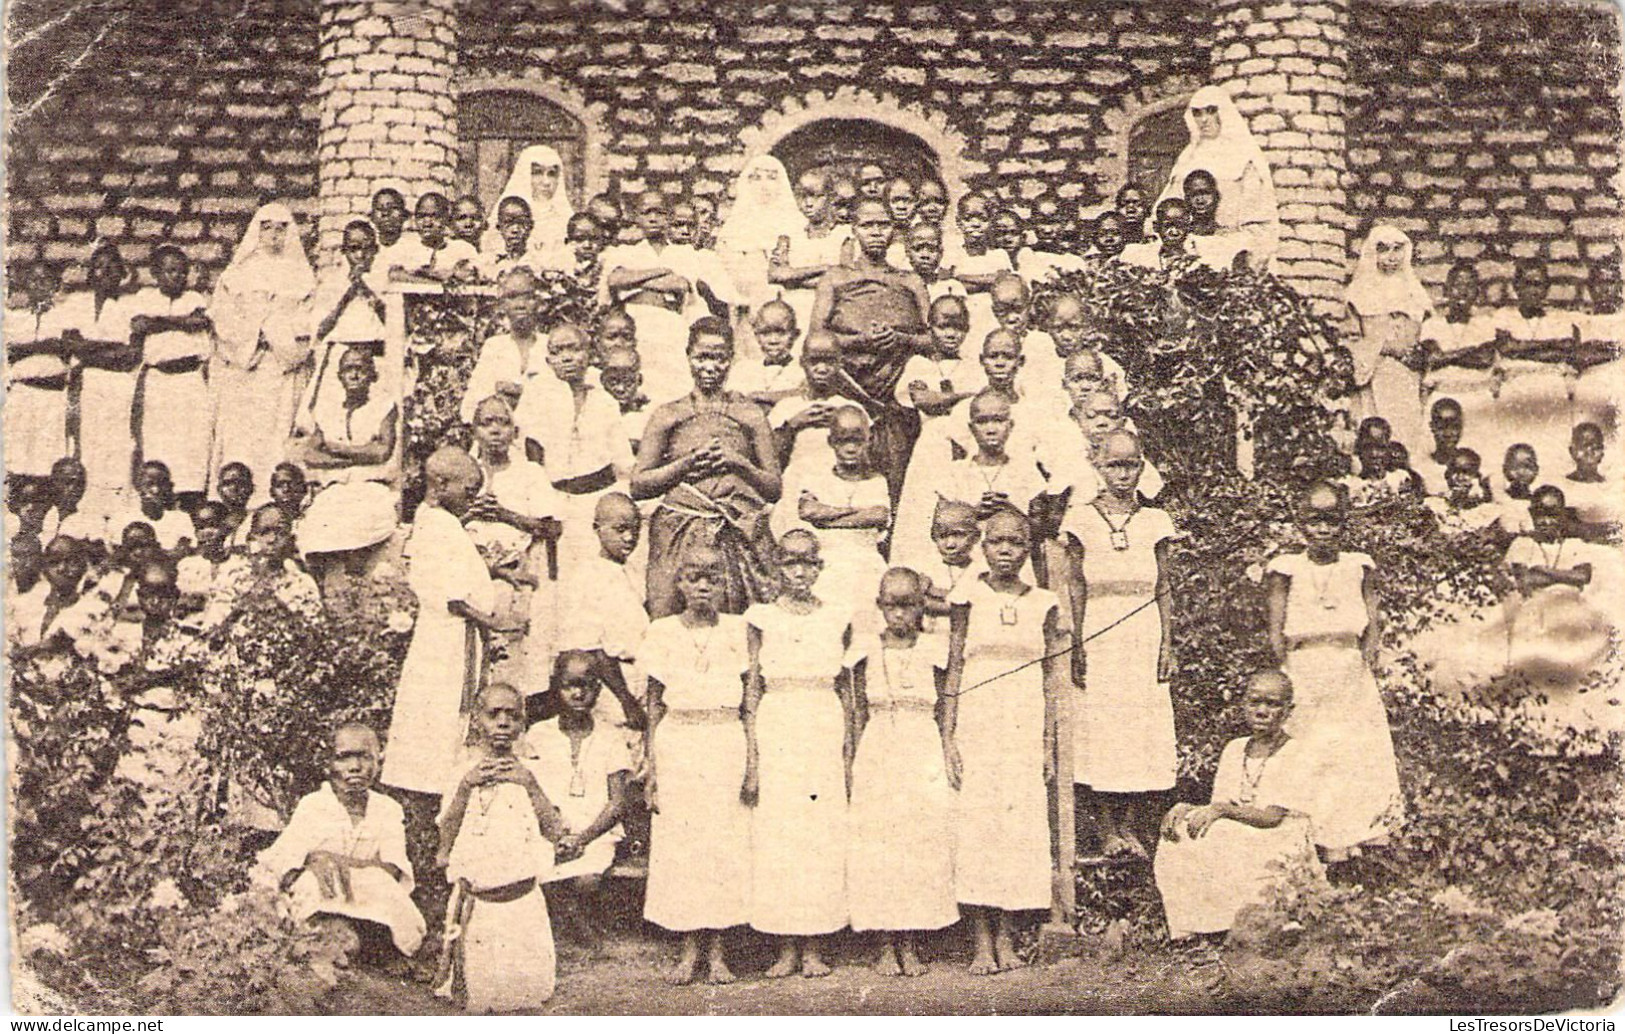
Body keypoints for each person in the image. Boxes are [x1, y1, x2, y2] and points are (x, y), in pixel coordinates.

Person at [947, 509, 1065, 973]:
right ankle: (980, 941)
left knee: (1018, 828)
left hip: (1022, 723)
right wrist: (947, 736)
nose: (1005, 550)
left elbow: (1052, 679)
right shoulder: (967, 594)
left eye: (1015, 542)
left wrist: (1048, 743)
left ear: (1027, 548)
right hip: (977, 722)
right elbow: (955, 665)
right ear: (982, 544)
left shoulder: (1044, 602)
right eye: (996, 541)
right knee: (978, 826)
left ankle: (1007, 938)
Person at [1265, 482, 1403, 862]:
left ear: (1344, 524)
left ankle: (1354, 837)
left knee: (1350, 754)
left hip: (1347, 669)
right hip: (1304, 670)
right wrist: (1285, 673)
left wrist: (1367, 657)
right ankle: (1310, 840)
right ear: (1300, 523)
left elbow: (1372, 622)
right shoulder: (1286, 568)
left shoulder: (1358, 565)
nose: (1323, 530)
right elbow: (1276, 630)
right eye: (1314, 521)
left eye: (1332, 522)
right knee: (1309, 753)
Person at [1061, 430, 1179, 859]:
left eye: (1130, 464)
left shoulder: (1155, 521)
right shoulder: (1080, 519)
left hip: (1143, 635)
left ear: (1142, 466)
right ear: (1098, 464)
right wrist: (1076, 642)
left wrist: (1168, 642)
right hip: (1099, 633)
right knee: (1101, 728)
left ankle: (1129, 826)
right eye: (1114, 464)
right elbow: (1074, 585)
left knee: (1138, 730)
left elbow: (1164, 586)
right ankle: (1106, 827)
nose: (1122, 474)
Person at [744, 529, 855, 979]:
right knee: (781, 835)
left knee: (819, 834)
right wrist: (751, 754)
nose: (799, 572)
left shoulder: (838, 616)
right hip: (778, 723)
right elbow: (752, 686)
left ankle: (814, 945)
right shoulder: (761, 617)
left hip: (822, 721)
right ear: (777, 567)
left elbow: (847, 688)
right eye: (790, 563)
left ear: (820, 567)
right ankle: (785, 946)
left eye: (808, 563)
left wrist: (849, 748)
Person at [642, 545, 752, 985]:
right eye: (694, 576)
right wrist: (650, 761)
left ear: (724, 583)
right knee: (683, 846)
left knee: (723, 844)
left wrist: (752, 761)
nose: (704, 585)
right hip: (679, 742)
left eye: (713, 576)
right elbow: (652, 700)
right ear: (680, 583)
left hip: (725, 739)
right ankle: (688, 950)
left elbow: (751, 697)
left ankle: (720, 953)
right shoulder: (662, 631)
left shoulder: (739, 629)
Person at [382, 448, 515, 799]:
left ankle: (443, 788)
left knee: (445, 711)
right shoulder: (435, 526)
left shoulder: (439, 522)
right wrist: (492, 622)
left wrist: (495, 571)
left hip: (453, 636)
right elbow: (451, 597)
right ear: (440, 484)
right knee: (443, 712)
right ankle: (437, 791)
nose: (472, 500)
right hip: (449, 638)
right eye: (469, 491)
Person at [847, 568, 960, 975]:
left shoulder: (934, 649)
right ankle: (884, 943)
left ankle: (910, 940)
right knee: (880, 844)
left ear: (921, 607)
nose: (899, 613)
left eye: (908, 604)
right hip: (878, 748)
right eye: (891, 604)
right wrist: (852, 760)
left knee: (917, 842)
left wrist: (947, 747)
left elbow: (947, 704)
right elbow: (856, 710)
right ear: (879, 606)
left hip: (921, 746)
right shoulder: (864, 649)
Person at [1154, 671, 1323, 941]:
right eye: (1255, 702)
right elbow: (1221, 804)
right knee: (1181, 833)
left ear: (1288, 711)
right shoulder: (1235, 748)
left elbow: (1271, 817)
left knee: (1224, 835)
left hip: (1281, 833)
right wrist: (1186, 808)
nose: (1262, 711)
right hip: (1242, 823)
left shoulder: (1296, 752)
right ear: (1243, 705)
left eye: (1273, 704)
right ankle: (1193, 926)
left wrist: (1222, 812)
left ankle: (1246, 924)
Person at [633, 318, 783, 618]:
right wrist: (685, 464)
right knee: (670, 617)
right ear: (688, 356)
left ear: (731, 359)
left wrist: (738, 463)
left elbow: (774, 488)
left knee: (738, 622)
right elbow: (638, 485)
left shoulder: (749, 414)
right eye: (702, 356)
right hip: (679, 532)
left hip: (736, 531)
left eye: (720, 357)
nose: (710, 366)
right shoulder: (668, 414)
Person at [435, 684, 565, 1013]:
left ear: (523, 723)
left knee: (524, 994)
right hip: (479, 902)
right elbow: (445, 835)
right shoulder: (461, 772)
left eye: (513, 715)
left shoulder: (535, 769)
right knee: (481, 995)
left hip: (522, 904)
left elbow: (554, 831)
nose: (503, 723)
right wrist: (466, 786)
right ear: (477, 721)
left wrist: (530, 784)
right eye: (494, 715)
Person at [255, 724, 426, 959]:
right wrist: (310, 863)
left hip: (371, 896)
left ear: (379, 761)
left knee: (381, 884)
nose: (355, 767)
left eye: (365, 757)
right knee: (310, 882)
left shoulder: (387, 809)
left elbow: (392, 869)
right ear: (329, 765)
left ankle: (365, 940)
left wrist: (332, 859)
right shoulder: (314, 805)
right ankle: (329, 934)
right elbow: (284, 863)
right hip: (324, 895)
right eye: (344, 758)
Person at [811, 198, 933, 499]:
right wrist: (860, 341)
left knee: (897, 487)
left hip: (895, 394)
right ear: (854, 230)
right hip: (848, 388)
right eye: (868, 225)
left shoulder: (910, 281)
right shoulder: (835, 278)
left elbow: (935, 339)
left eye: (883, 225)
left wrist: (901, 339)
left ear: (894, 231)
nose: (876, 232)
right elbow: (815, 342)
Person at [210, 202, 315, 496]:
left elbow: (308, 322)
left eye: (282, 228)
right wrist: (255, 336)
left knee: (281, 438)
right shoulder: (237, 274)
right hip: (246, 371)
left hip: (283, 371)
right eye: (267, 227)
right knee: (243, 439)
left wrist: (278, 338)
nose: (274, 234)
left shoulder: (302, 275)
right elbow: (223, 319)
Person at [526, 651, 631, 941]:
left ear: (597, 689)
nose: (578, 693)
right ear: (555, 687)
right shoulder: (538, 735)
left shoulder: (610, 736)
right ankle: (572, 927)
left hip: (595, 833)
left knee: (587, 879)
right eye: (569, 685)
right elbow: (531, 794)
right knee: (537, 869)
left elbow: (617, 802)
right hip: (550, 832)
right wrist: (557, 833)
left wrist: (582, 839)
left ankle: (576, 927)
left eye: (586, 685)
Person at [466, 396, 564, 700]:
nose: (495, 430)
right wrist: (470, 513)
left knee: (510, 648)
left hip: (514, 571)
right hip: (471, 569)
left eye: (503, 423)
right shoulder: (464, 471)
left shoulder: (528, 474)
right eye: (486, 423)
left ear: (515, 432)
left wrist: (505, 514)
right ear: (474, 431)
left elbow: (552, 528)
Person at [514, 322, 635, 558]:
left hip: (598, 500)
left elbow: (622, 463)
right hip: (555, 502)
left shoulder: (604, 397)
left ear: (589, 353)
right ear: (548, 360)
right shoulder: (538, 393)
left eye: (574, 349)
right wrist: (543, 507)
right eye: (557, 352)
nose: (566, 358)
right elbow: (531, 455)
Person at [287, 345, 399, 578]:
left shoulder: (383, 408)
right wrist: (355, 457)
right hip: (334, 489)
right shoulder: (327, 412)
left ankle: (353, 583)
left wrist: (337, 449)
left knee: (359, 530)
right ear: (340, 376)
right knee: (315, 532)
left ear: (372, 375)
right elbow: (311, 455)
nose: (355, 374)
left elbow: (381, 452)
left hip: (370, 488)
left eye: (361, 369)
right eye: (348, 369)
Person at [57, 241, 138, 520]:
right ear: (90, 273)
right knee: (84, 447)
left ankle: (117, 516)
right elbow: (68, 344)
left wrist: (87, 350)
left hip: (119, 386)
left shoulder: (131, 306)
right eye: (98, 268)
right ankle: (85, 518)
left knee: (118, 447)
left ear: (122, 273)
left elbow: (129, 355)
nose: (105, 273)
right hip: (84, 386)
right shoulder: (76, 303)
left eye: (111, 268)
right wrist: (107, 349)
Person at [1158, 84, 1280, 270]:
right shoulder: (1187, 158)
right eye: (1197, 113)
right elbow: (1167, 207)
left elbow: (1260, 227)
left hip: (1230, 250)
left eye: (1211, 111)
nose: (1204, 120)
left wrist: (1219, 246)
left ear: (1223, 112)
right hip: (1183, 250)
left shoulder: (1245, 157)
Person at [1505, 485, 1616, 688]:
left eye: (1553, 515)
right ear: (1531, 514)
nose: (1547, 521)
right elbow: (1527, 580)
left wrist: (1545, 571)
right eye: (1540, 515)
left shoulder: (1574, 545)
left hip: (1571, 608)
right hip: (1535, 608)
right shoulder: (1523, 543)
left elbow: (1582, 575)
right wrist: (1565, 576)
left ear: (1563, 516)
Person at [782, 406, 891, 613]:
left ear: (869, 440)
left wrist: (827, 518)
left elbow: (878, 515)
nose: (850, 448)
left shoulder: (877, 481)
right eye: (843, 441)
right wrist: (857, 512)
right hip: (827, 568)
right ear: (831, 442)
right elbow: (808, 512)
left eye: (857, 441)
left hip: (866, 567)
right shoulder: (816, 478)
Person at [1344, 225, 1434, 454]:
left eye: (1397, 250)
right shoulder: (1359, 292)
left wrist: (1418, 354)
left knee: (1409, 433)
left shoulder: (1415, 291)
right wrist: (1388, 349)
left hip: (1409, 376)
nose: (1391, 257)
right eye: (1384, 250)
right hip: (1376, 373)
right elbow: (1352, 341)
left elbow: (1428, 336)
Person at [1491, 259, 1584, 468]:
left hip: (1551, 391)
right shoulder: (1504, 316)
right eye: (1528, 284)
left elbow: (1568, 349)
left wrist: (1522, 348)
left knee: (1552, 455)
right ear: (1517, 287)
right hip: (1515, 392)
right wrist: (1551, 347)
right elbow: (1507, 348)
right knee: (1516, 454)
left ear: (1546, 288)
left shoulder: (1560, 320)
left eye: (1539, 284)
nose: (1534, 290)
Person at [1419, 260, 1498, 444]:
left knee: (1480, 455)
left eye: (1470, 286)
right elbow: (1433, 357)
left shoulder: (1486, 323)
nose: (1463, 291)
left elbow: (1485, 357)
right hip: (1442, 398)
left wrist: (1447, 356)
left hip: (1477, 399)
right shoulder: (1433, 325)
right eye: (1457, 285)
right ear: (1446, 291)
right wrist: (1471, 351)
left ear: (1478, 294)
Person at [5, 261, 70, 481]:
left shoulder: (64, 317)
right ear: (25, 284)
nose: (39, 286)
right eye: (34, 280)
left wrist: (25, 348)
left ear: (55, 285)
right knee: (18, 458)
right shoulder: (15, 318)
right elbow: (8, 352)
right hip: (21, 394)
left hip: (53, 396)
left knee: (47, 460)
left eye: (45, 281)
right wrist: (43, 345)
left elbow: (66, 349)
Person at [459, 267, 550, 425]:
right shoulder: (494, 347)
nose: (520, 304)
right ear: (502, 305)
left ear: (539, 303)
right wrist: (496, 397)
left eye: (528, 297)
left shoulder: (550, 345)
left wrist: (525, 394)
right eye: (512, 297)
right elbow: (469, 408)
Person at [484, 144, 575, 258]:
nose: (546, 182)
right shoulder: (504, 217)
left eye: (552, 174)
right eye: (537, 172)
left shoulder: (566, 219)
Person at [1575, 255, 1623, 434]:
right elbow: (1580, 357)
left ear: (1619, 286)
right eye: (1599, 283)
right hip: (1591, 393)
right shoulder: (1582, 321)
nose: (1605, 289)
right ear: (1589, 287)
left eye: (1610, 282)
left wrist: (1598, 351)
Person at [386, 193, 478, 283]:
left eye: (434, 216)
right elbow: (394, 274)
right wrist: (434, 280)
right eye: (421, 217)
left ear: (446, 219)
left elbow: (471, 274)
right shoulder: (404, 248)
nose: (427, 223)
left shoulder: (463, 249)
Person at [731, 297, 806, 407]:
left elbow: (807, 394)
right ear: (756, 335)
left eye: (781, 333)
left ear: (795, 334)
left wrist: (764, 396)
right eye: (765, 333)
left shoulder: (802, 370)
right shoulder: (743, 369)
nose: (773, 340)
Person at [110, 461, 193, 555]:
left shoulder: (181, 519)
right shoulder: (121, 519)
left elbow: (182, 552)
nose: (156, 490)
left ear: (169, 487)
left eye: (161, 484)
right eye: (149, 484)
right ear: (138, 486)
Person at [1424, 448, 1508, 536]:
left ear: (1476, 476)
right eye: (1455, 471)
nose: (1460, 478)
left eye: (1466, 472)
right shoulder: (1434, 506)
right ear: (1447, 475)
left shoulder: (1486, 512)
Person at [1562, 423, 1620, 538]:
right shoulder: (1563, 486)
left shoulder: (1611, 486)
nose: (1589, 451)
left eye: (1596, 446)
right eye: (1584, 446)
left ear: (1602, 452)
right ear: (1572, 451)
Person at [599, 346, 652, 457]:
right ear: (602, 380)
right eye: (613, 382)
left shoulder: (649, 416)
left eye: (628, 382)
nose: (620, 389)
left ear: (639, 380)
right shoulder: (595, 413)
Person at [1121, 198, 1197, 271]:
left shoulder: (1200, 258)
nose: (1174, 232)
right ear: (1156, 226)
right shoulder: (1137, 255)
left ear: (1189, 227)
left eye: (1180, 225)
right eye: (1167, 226)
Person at [1414, 397, 1465, 497]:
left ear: (1461, 427)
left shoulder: (1469, 466)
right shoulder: (1420, 466)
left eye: (1455, 427)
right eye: (1442, 427)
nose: (1448, 434)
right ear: (1432, 427)